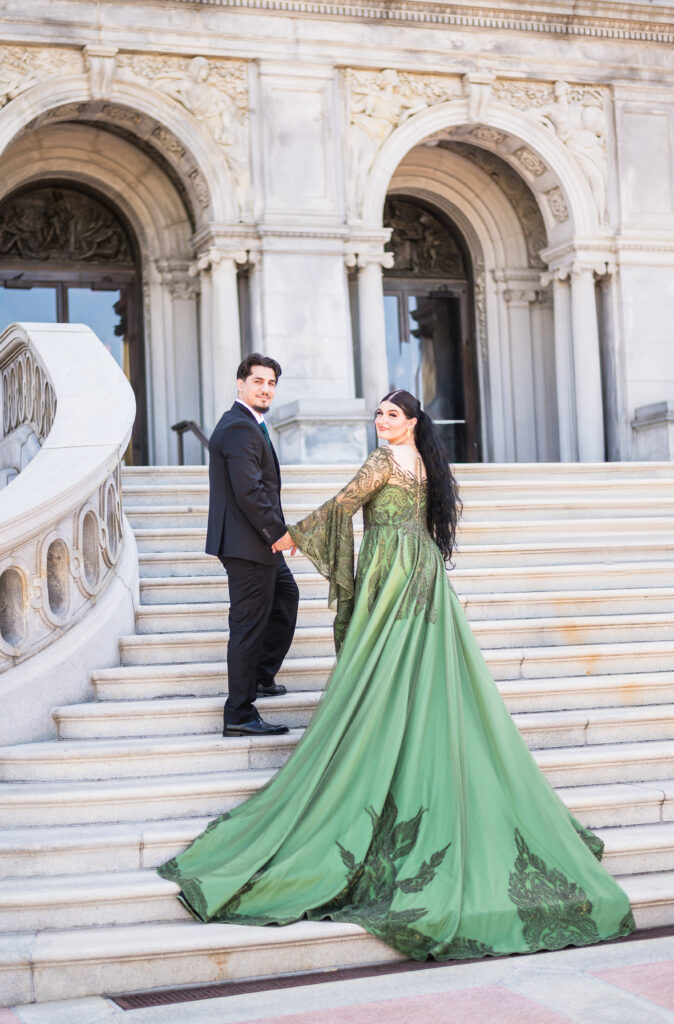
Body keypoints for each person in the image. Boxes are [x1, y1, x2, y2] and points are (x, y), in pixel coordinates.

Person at [159, 389, 634, 959]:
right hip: (424, 572)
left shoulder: (384, 461)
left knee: (381, 675)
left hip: (394, 576)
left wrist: (290, 537)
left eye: (390, 415)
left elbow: (340, 506)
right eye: (378, 414)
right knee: (423, 675)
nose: (381, 421)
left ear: (410, 423)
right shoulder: (428, 463)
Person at [205, 354, 299, 737]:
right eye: (258, 381)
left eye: (271, 383)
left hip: (256, 543)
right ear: (240, 383)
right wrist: (279, 532)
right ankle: (239, 713)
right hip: (249, 544)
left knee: (286, 597)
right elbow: (250, 492)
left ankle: (261, 676)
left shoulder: (250, 424)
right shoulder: (239, 428)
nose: (265, 388)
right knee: (247, 627)